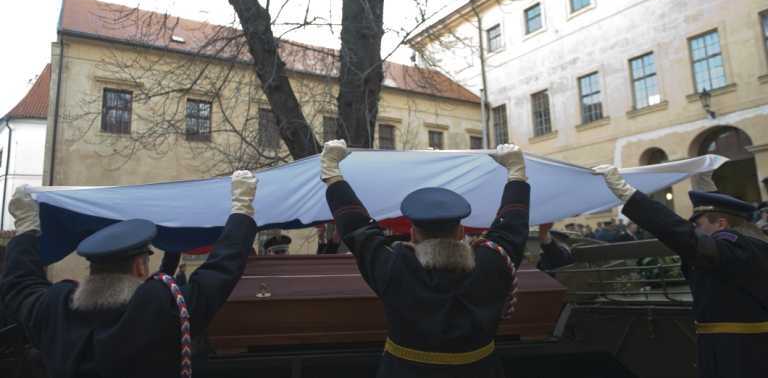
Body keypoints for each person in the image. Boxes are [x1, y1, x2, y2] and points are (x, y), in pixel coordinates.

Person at [0, 170, 259, 378]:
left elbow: (19, 284)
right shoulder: (161, 309)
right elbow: (219, 272)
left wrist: (25, 229)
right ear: (139, 267)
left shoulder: (56, 308)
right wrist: (242, 211)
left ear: (92, 267)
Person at [321, 140, 529, 377]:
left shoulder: (395, 265)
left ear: (413, 234)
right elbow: (513, 227)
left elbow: (356, 225)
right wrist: (516, 172)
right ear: (461, 233)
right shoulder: (492, 261)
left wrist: (331, 171)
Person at [594, 165, 768, 378]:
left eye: (699, 223)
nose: (696, 229)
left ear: (721, 223)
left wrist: (629, 195)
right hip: (734, 345)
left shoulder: (736, 246)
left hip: (738, 351)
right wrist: (707, 187)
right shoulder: (748, 243)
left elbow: (683, 236)